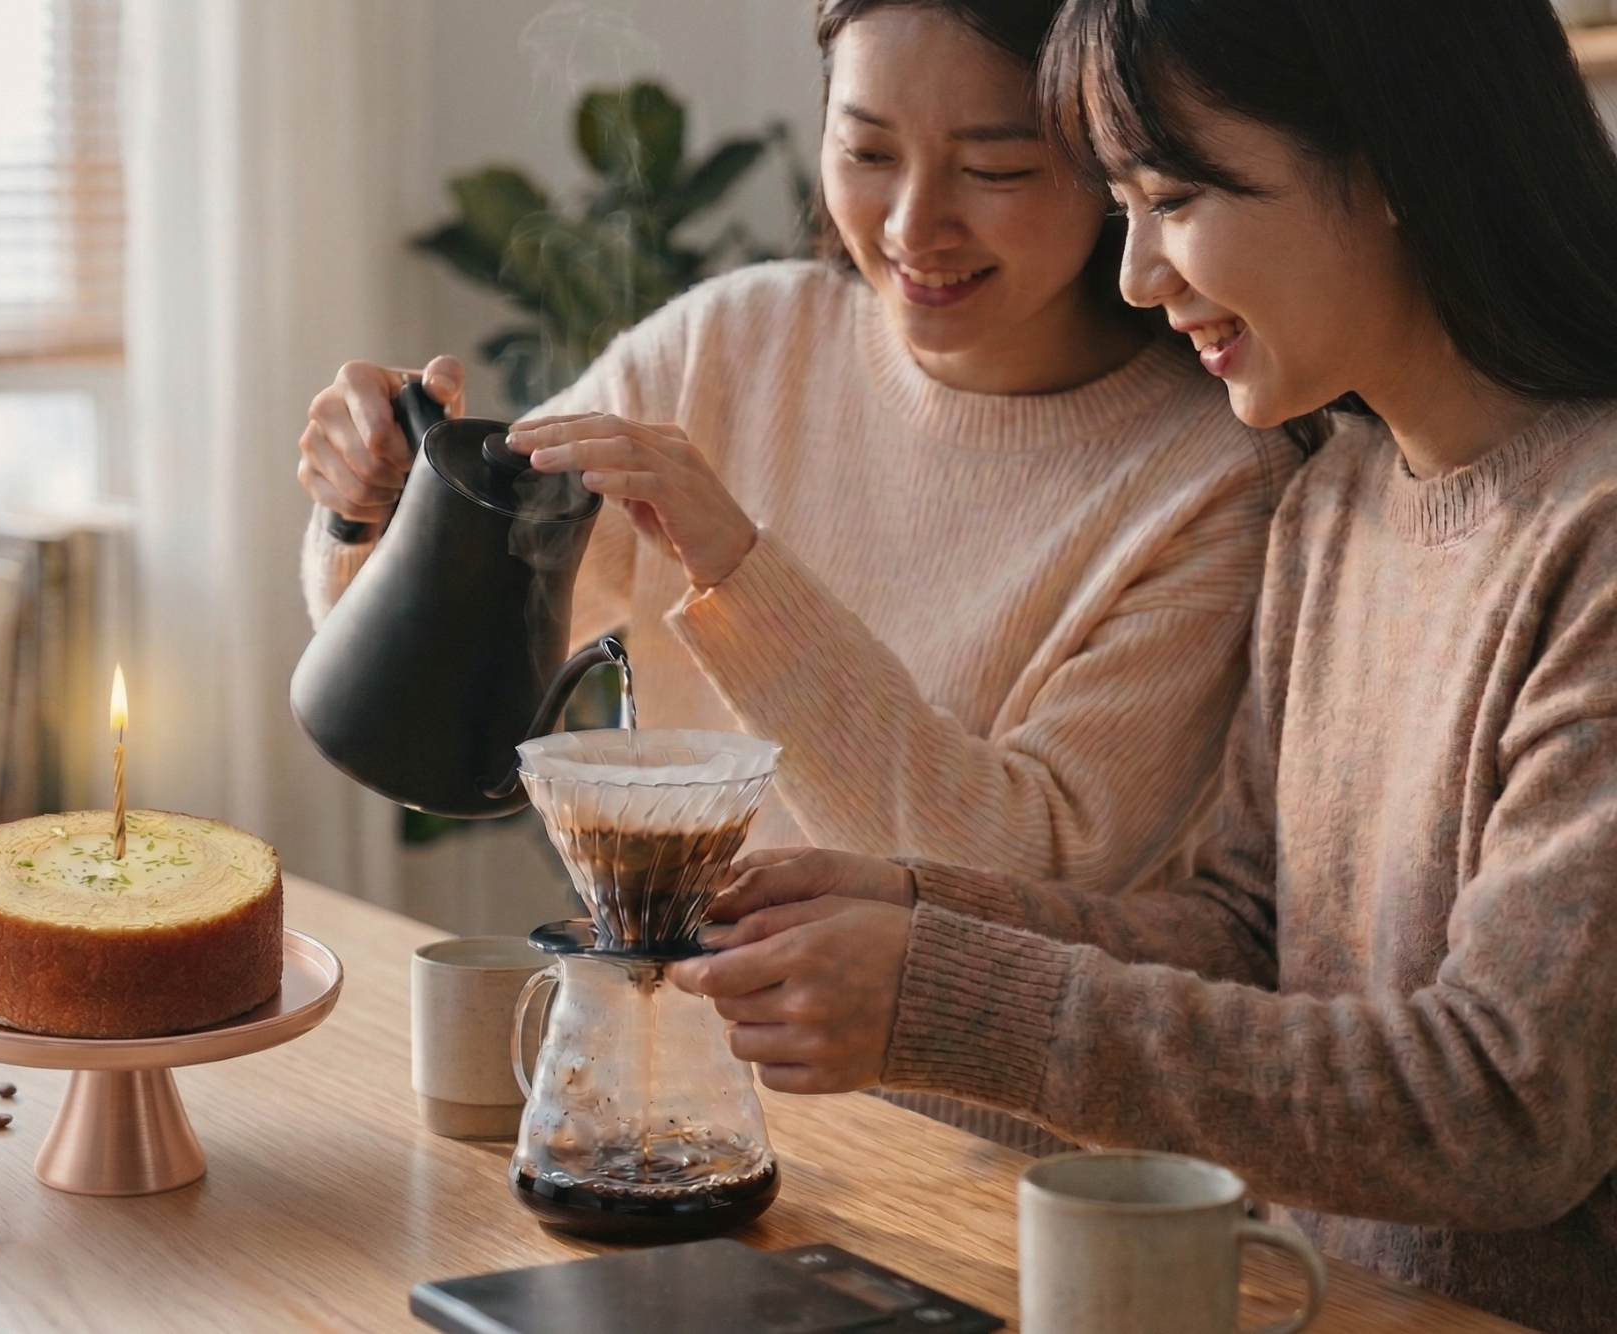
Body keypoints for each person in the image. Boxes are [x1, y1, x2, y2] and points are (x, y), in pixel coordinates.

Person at [667, 1, 1617, 1329]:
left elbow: (1504, 1103)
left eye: (1172, 199)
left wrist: (948, 995)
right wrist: (916, 909)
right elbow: (1245, 936)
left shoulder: (1592, 542)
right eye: (1122, 205)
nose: (1135, 275)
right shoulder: (1335, 502)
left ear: (1392, 162)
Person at [300, 0, 1292, 911]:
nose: (911, 226)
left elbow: (1031, 878)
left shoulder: (1212, 483)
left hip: (936, 1062)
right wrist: (374, 508)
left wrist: (739, 574)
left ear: (1113, 167)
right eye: (866, 151)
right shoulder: (731, 343)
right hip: (668, 1024)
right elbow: (421, 685)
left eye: (995, 169)